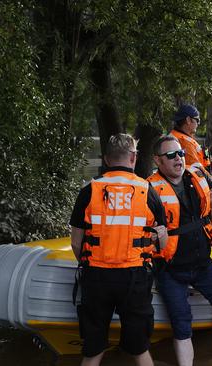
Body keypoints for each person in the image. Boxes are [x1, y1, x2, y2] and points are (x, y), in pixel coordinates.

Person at [147, 135, 212, 366]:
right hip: (170, 268)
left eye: (181, 154)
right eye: (171, 155)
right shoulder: (149, 189)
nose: (179, 159)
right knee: (181, 323)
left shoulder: (199, 176)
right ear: (158, 160)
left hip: (203, 264)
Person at [69, 133, 169, 366]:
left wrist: (88, 263)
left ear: (106, 159)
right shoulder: (148, 191)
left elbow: (76, 242)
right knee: (140, 348)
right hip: (134, 277)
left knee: (93, 348)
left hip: (96, 276)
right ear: (133, 157)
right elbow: (162, 243)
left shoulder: (89, 190)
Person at [169, 103, 211, 172]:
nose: (198, 123)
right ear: (188, 120)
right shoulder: (184, 141)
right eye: (197, 120)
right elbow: (197, 171)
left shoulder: (177, 136)